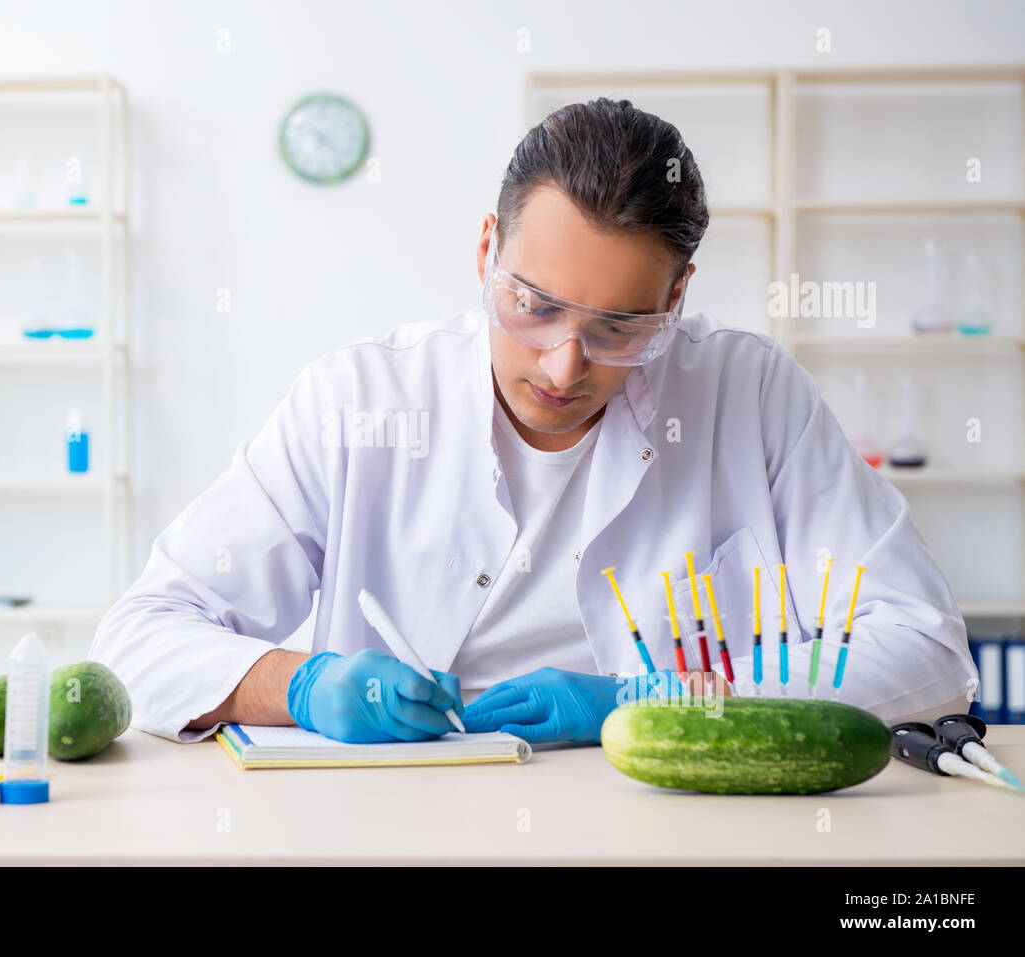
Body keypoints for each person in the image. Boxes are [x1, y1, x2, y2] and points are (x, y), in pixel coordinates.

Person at [89, 98, 976, 746]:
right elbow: (139, 638)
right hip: (396, 826)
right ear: (487, 252)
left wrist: (653, 697)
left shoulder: (749, 394)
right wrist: (301, 684)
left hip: (673, 824)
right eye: (534, 305)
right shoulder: (361, 401)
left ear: (676, 298)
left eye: (619, 329)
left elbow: (927, 651)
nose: (563, 365)